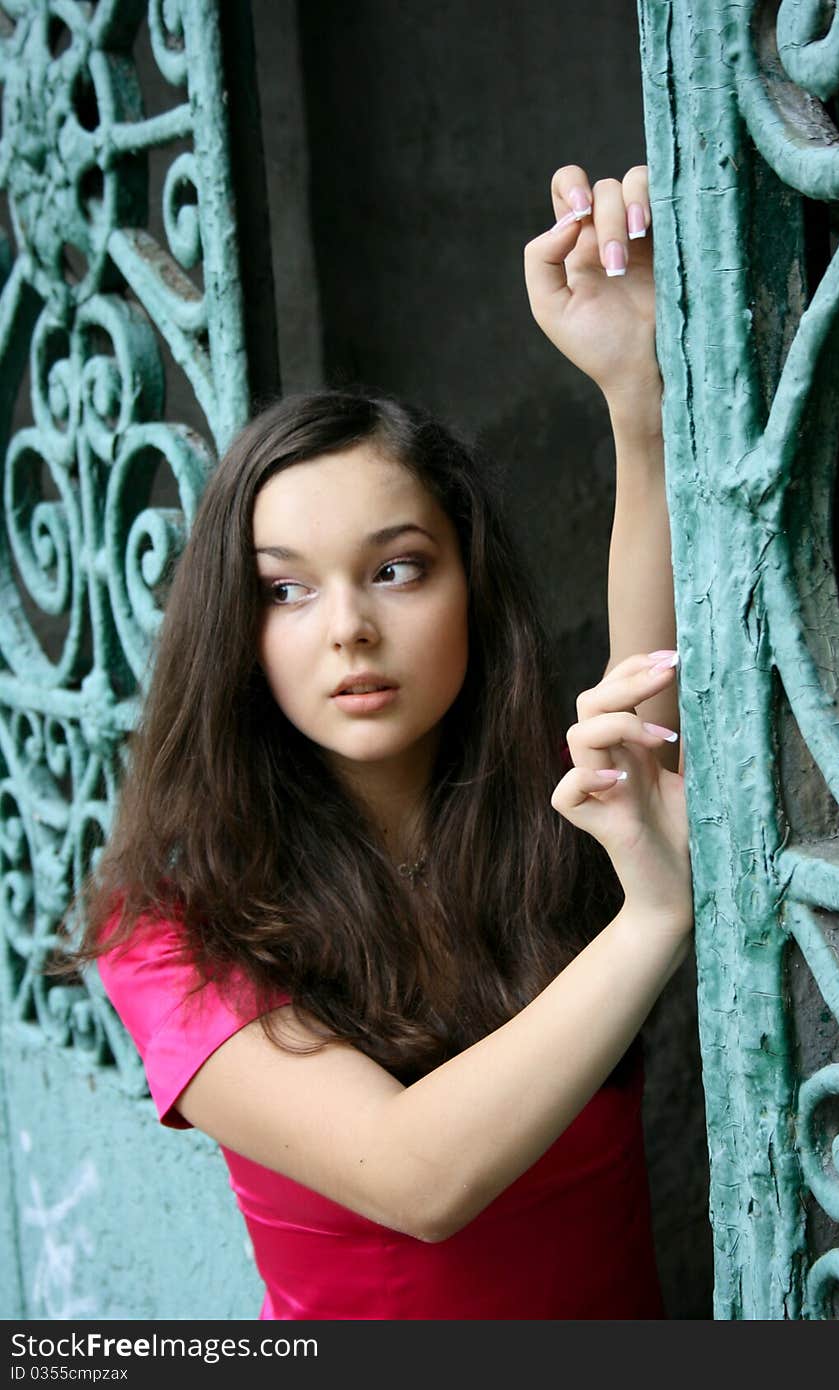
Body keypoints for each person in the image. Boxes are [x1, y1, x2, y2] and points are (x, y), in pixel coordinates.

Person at [61, 163, 691, 1320]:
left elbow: (647, 717)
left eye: (396, 568)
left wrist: (633, 399)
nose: (348, 627)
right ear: (233, 635)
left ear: (470, 591)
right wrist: (656, 914)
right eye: (285, 591)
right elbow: (418, 1179)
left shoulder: (549, 828)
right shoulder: (167, 934)